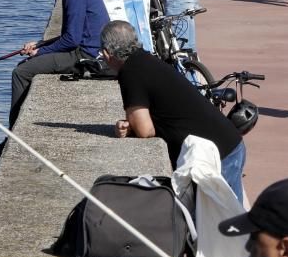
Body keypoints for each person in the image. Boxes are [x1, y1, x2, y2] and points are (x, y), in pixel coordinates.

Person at [0, 0, 111, 161]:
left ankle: (13, 136)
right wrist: (40, 45)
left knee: (21, 72)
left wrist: (40, 53)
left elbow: (71, 40)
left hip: (87, 55)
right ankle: (14, 131)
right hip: (84, 48)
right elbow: (69, 35)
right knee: (25, 67)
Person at [100, 20, 246, 200]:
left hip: (218, 155)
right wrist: (131, 125)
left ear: (107, 54)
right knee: (230, 220)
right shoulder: (145, 59)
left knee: (223, 224)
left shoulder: (130, 72)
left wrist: (132, 125)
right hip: (227, 143)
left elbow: (145, 131)